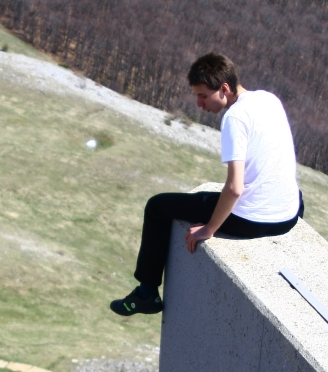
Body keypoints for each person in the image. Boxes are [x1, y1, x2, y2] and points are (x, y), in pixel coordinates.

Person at [110, 52, 303, 316]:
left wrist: (209, 229)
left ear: (224, 89)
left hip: (254, 221)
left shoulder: (234, 119)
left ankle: (146, 293)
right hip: (289, 215)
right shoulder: (268, 99)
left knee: (157, 206)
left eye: (203, 95)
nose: (199, 104)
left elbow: (234, 188)